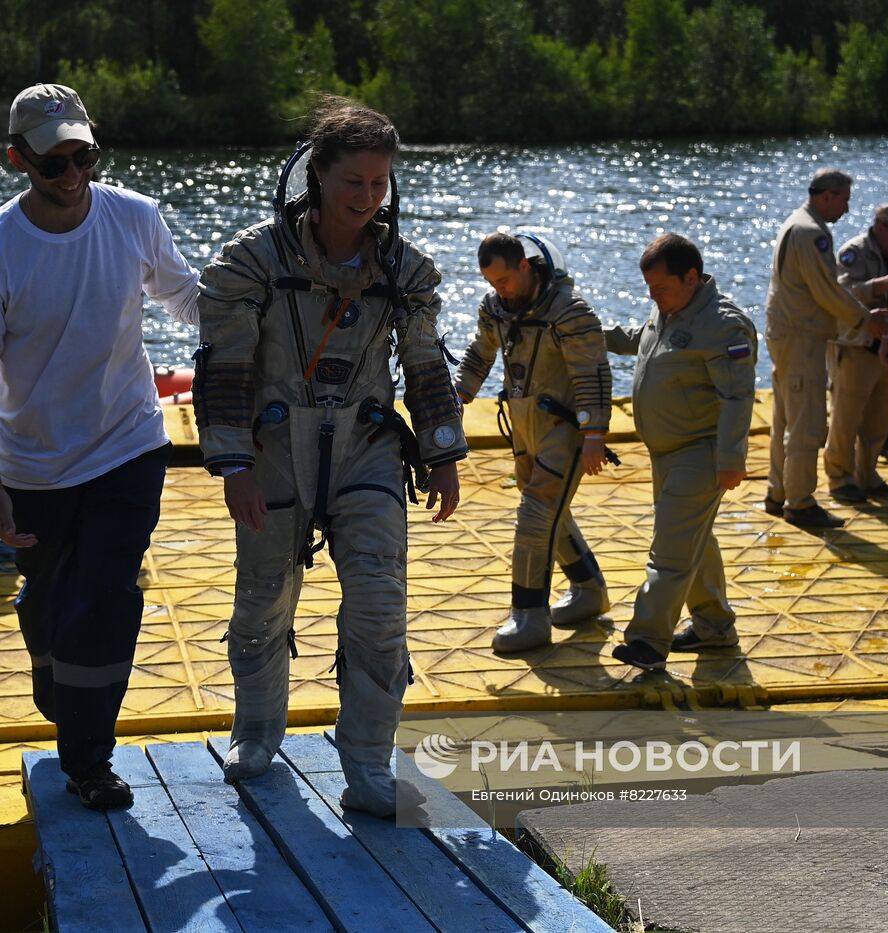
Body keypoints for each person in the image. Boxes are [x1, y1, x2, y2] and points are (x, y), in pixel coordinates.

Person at [194, 98, 465, 818]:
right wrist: (232, 463)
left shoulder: (404, 270)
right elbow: (222, 367)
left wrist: (442, 451)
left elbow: (425, 362)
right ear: (316, 174)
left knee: (380, 607)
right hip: (274, 448)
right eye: (353, 183)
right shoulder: (252, 260)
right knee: (262, 598)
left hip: (368, 447)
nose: (366, 198)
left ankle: (369, 765)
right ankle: (255, 734)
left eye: (379, 184)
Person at [0, 84, 202, 811]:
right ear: (16, 158)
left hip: (129, 444)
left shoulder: (134, 218)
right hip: (33, 463)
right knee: (51, 599)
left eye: (83, 155)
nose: (71, 174)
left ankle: (89, 760)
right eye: (52, 162)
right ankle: (55, 670)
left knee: (106, 597)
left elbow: (187, 298)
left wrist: (263, 298)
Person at [604, 234, 756, 671]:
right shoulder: (669, 306)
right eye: (650, 290)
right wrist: (596, 336)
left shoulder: (724, 324)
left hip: (700, 454)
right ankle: (715, 629)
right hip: (665, 453)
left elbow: (737, 397)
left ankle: (648, 642)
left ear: (692, 277)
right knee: (694, 541)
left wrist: (731, 460)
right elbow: (644, 339)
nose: (654, 297)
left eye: (661, 288)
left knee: (668, 551)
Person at [454, 232, 612, 653]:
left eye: (503, 281)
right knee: (548, 512)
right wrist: (458, 397)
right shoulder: (496, 309)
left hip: (565, 428)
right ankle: (588, 588)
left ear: (525, 266)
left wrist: (594, 433)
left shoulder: (570, 313)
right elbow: (480, 353)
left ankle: (529, 616)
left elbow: (592, 374)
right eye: (491, 283)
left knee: (535, 517)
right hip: (525, 426)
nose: (498, 290)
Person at [764, 168, 888, 528]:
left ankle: (778, 493)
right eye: (845, 200)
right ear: (827, 195)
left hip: (785, 332)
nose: (847, 209)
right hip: (801, 336)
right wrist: (866, 320)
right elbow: (827, 291)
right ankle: (800, 503)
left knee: (785, 415)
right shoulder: (811, 232)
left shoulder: (796, 222)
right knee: (807, 422)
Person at [823, 203, 888, 503]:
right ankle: (839, 478)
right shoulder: (854, 252)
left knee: (879, 416)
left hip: (887, 344)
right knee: (846, 417)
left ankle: (867, 474)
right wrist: (877, 285)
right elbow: (838, 292)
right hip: (854, 345)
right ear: (881, 227)